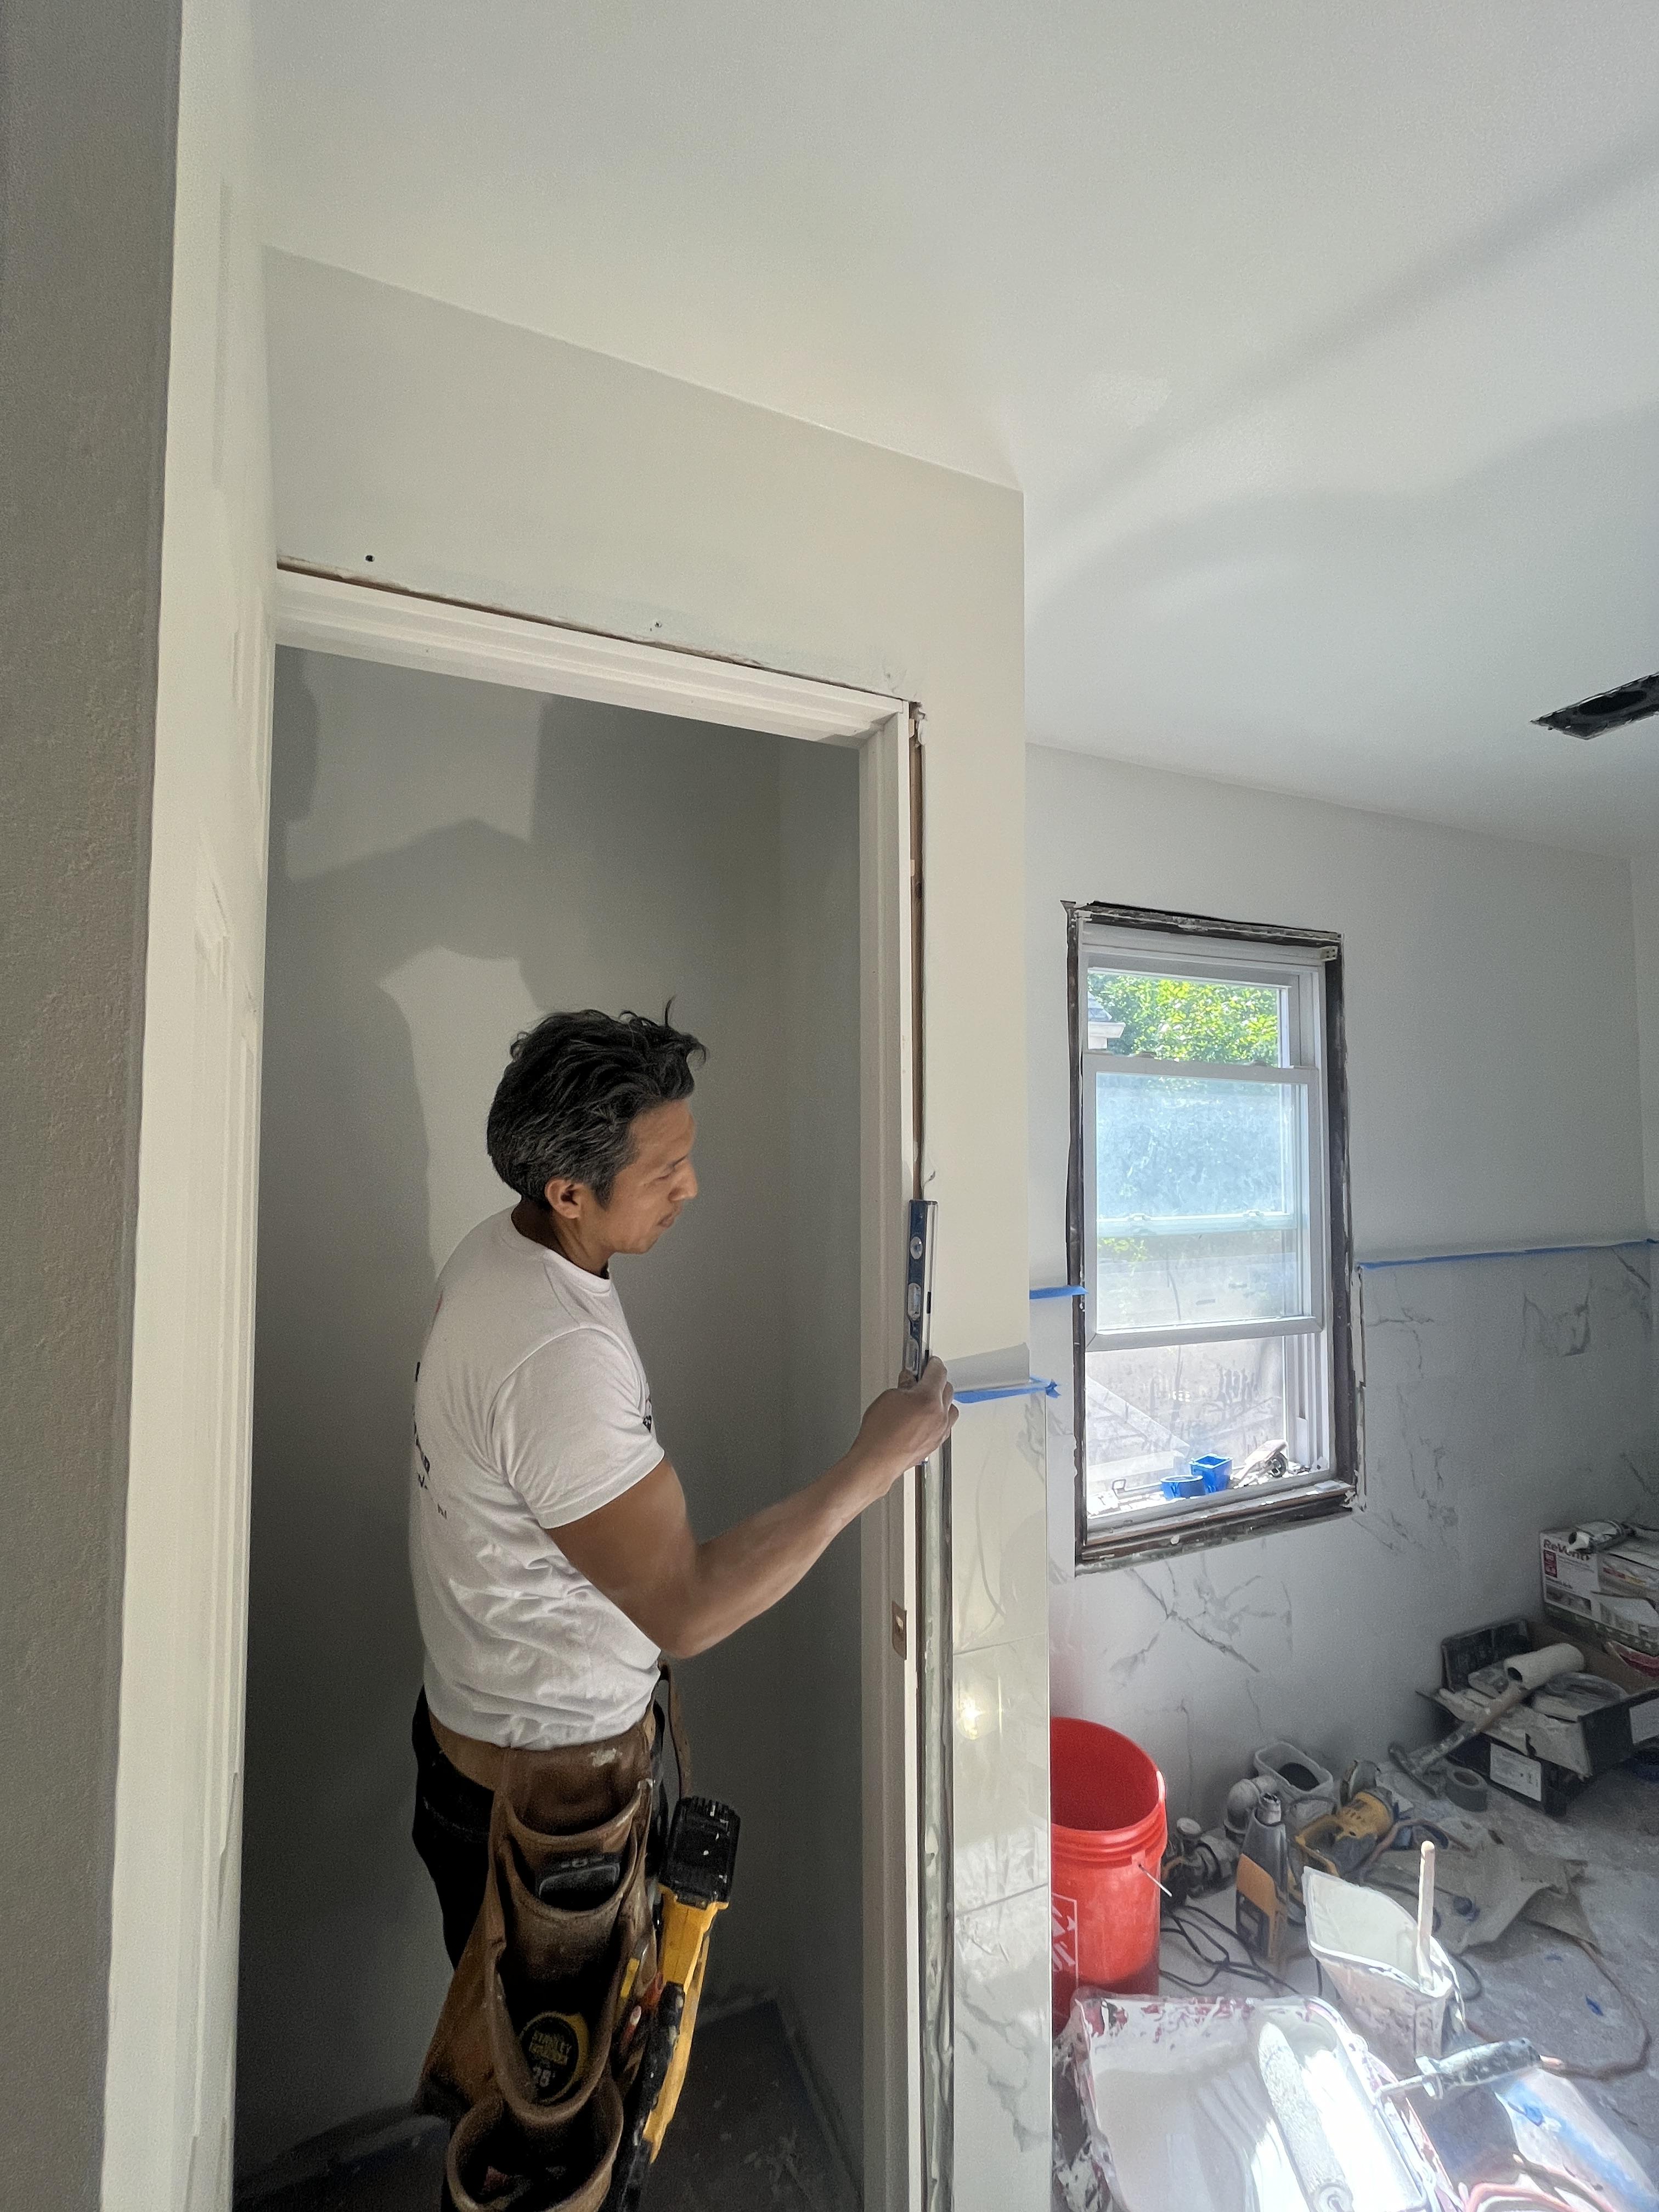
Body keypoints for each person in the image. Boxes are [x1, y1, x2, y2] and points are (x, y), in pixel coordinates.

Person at [408, 1006, 955, 1964]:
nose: (691, 1188)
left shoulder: (499, 1250)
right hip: (547, 1812)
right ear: (569, 1190)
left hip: (492, 1748)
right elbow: (689, 1611)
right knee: (573, 2108)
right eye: (664, 1172)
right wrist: (872, 1463)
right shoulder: (555, 1358)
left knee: (544, 2085)